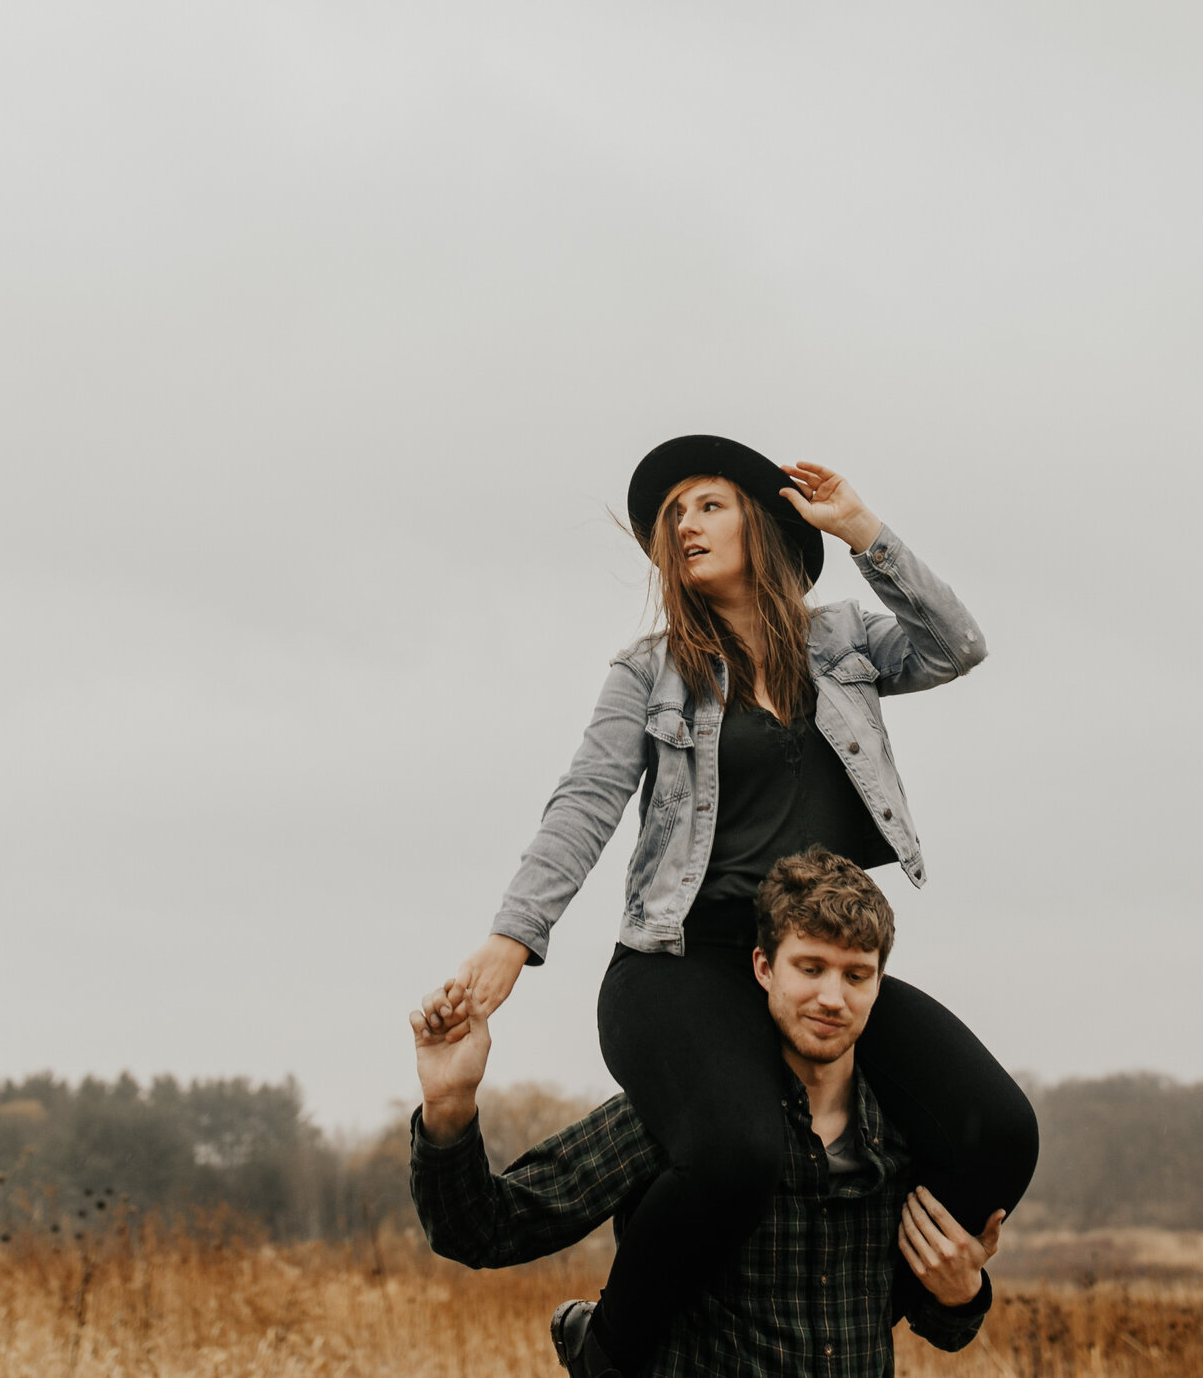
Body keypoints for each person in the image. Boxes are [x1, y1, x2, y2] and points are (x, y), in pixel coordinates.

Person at [420, 435, 1038, 1377]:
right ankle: (609, 1344)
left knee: (1000, 1130)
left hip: (809, 955)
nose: (685, 525)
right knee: (737, 1151)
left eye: (706, 503)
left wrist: (863, 529)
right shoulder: (649, 672)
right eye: (673, 516)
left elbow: (958, 646)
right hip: (682, 961)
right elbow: (584, 802)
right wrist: (514, 938)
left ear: (762, 514)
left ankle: (904, 1305)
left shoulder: (843, 644)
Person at [410, 849, 1003, 1377]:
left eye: (856, 975)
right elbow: (484, 1230)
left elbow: (944, 1331)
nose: (832, 997)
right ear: (764, 968)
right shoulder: (690, 1117)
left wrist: (963, 1294)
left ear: (879, 985)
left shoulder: (901, 1135)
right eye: (810, 967)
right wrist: (449, 1104)